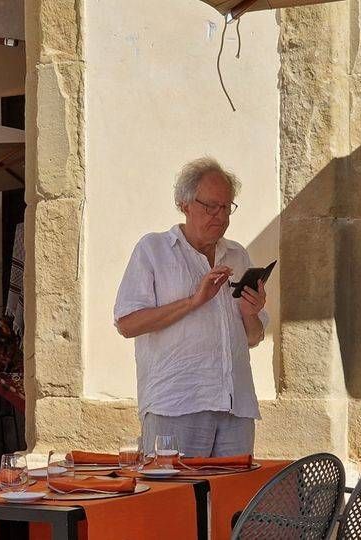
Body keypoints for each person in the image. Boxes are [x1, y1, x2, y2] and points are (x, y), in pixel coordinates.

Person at [114, 157, 268, 457]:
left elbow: (253, 338)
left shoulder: (237, 255)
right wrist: (193, 301)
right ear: (184, 204)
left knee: (235, 489)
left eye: (226, 207)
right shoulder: (154, 250)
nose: (220, 216)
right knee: (175, 489)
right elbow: (127, 324)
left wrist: (251, 315)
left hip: (235, 406)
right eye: (210, 206)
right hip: (176, 404)